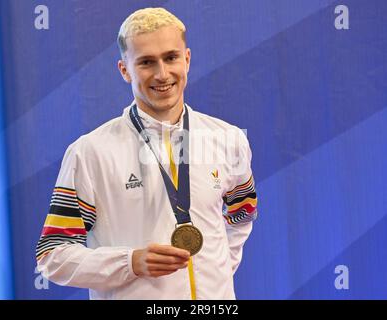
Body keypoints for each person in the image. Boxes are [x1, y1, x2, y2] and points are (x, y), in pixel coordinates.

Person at [36, 7, 258, 300]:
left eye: (171, 57)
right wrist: (130, 263)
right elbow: (53, 256)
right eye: (146, 62)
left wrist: (215, 275)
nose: (162, 74)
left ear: (187, 59)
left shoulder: (228, 139)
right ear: (124, 69)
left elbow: (243, 214)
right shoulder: (90, 153)